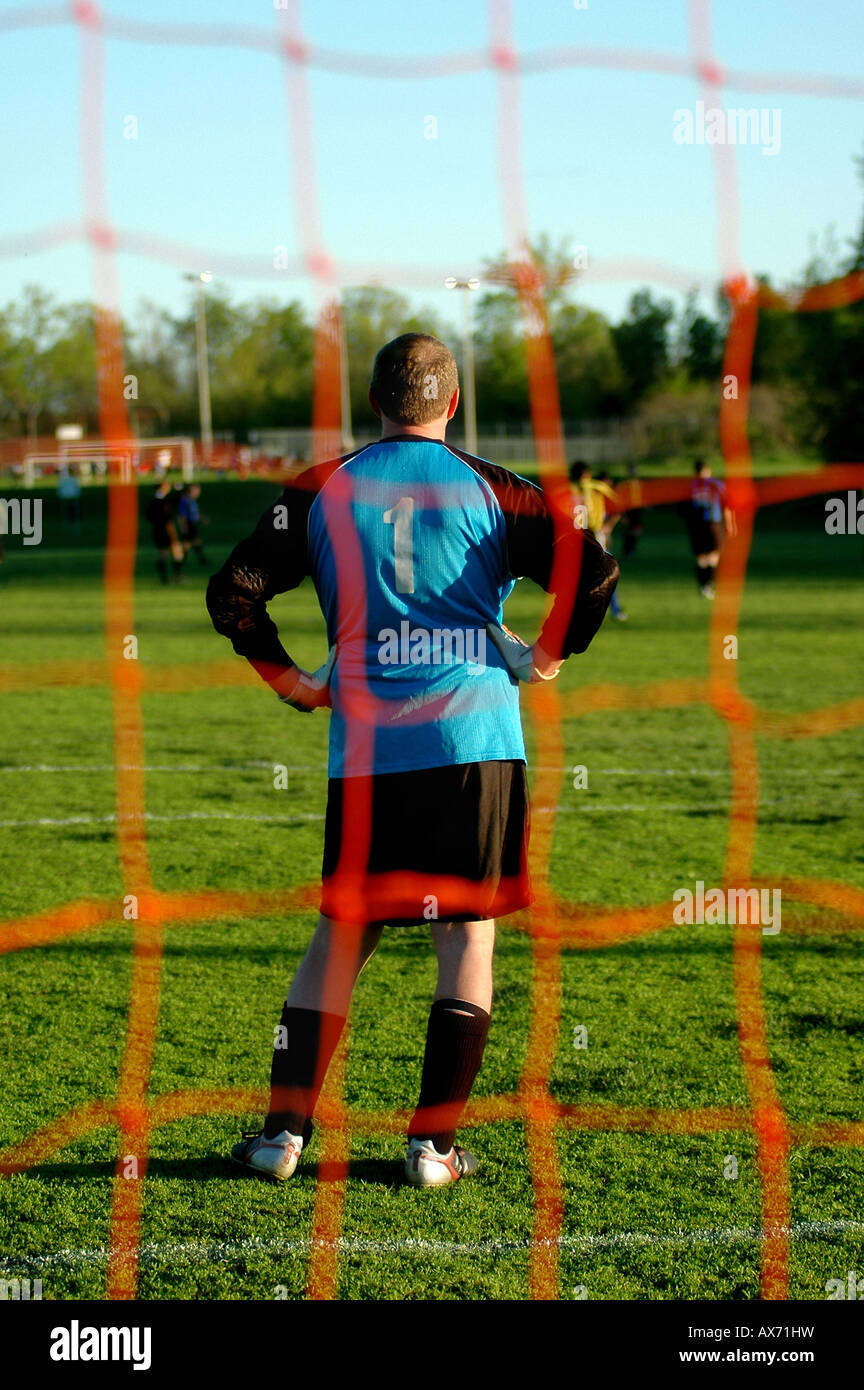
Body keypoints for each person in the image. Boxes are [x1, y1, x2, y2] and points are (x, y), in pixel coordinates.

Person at [206, 333, 618, 1187]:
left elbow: (232, 591)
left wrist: (295, 683)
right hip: (475, 745)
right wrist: (546, 655)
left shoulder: (321, 488)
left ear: (375, 403)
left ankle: (282, 1138)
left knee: (341, 937)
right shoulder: (499, 491)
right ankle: (432, 1151)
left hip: (366, 755)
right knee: (467, 935)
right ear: (453, 404)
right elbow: (595, 576)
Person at [568, 462, 626, 621]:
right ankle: (611, 609)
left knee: (595, 573)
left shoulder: (573, 489)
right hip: (587, 535)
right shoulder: (591, 487)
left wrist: (608, 525)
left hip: (585, 535)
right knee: (603, 573)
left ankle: (610, 609)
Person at [685, 458, 736, 598]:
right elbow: (727, 505)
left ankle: (704, 585)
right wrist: (730, 524)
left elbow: (683, 509)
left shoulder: (691, 486)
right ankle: (708, 584)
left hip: (696, 524)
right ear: (707, 470)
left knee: (701, 555)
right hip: (714, 523)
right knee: (713, 554)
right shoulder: (716, 485)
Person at [145, 477, 184, 584]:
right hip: (168, 529)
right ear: (163, 487)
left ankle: (164, 578)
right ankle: (178, 576)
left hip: (157, 529)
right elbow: (170, 515)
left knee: (162, 553)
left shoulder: (152, 500)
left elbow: (148, 516)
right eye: (167, 485)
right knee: (176, 552)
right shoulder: (164, 501)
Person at [177, 483, 209, 566]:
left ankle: (182, 561)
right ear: (192, 491)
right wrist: (183, 526)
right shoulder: (185, 501)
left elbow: (194, 514)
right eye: (197, 491)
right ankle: (202, 560)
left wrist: (202, 519)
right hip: (188, 524)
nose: (198, 493)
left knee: (188, 543)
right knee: (194, 542)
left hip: (192, 524)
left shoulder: (191, 501)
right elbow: (182, 515)